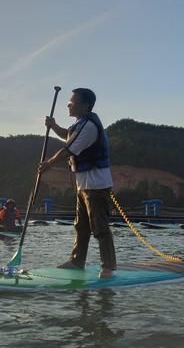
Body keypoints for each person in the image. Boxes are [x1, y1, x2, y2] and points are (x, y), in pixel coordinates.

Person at [38, 87, 116, 278]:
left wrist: (48, 163)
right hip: (84, 186)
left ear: (85, 105)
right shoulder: (80, 124)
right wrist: (54, 126)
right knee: (81, 226)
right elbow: (69, 136)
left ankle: (109, 266)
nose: (68, 104)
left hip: (96, 186)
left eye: (72, 102)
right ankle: (77, 261)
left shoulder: (89, 126)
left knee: (99, 227)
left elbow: (69, 149)